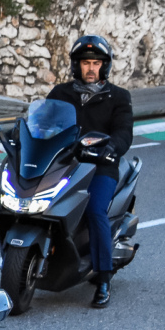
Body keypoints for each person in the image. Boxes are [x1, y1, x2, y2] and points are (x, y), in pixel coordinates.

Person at [45, 34, 133, 308]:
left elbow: (123, 133)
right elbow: (43, 121)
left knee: (95, 210)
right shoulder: (61, 93)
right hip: (64, 164)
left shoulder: (118, 97)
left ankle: (104, 277)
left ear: (104, 66)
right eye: (86, 63)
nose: (91, 68)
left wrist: (112, 148)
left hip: (100, 167)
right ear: (77, 65)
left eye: (96, 63)